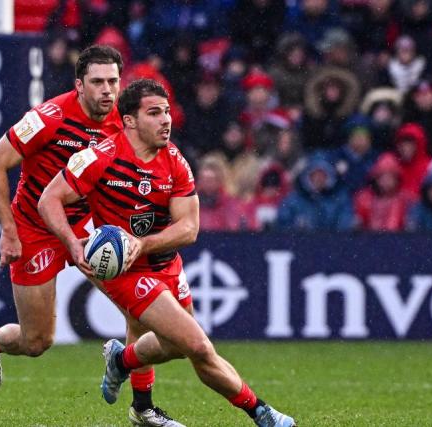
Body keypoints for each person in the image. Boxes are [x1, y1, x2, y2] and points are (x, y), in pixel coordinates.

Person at [37, 79, 296, 427]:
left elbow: (189, 228)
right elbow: (49, 199)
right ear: (129, 121)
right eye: (154, 113)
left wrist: (142, 243)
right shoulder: (99, 157)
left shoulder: (174, 161)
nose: (166, 120)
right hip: (125, 272)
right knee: (199, 346)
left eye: (167, 112)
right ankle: (262, 413)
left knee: (176, 347)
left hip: (166, 264)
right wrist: (71, 242)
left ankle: (123, 363)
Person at [0, 46, 183, 427]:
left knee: (139, 306)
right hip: (34, 228)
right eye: (98, 82)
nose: (107, 90)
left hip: (92, 227)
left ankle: (143, 407)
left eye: (113, 82)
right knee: (36, 342)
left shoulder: (127, 121)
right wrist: (7, 230)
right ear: (79, 85)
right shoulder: (48, 117)